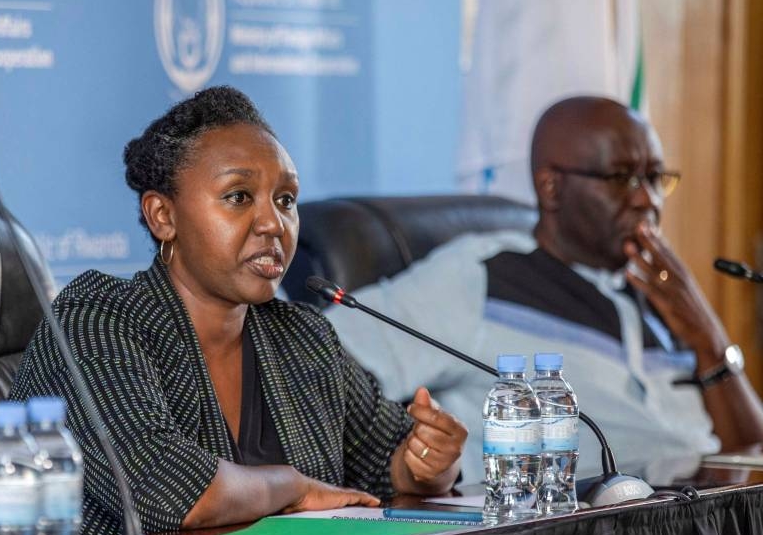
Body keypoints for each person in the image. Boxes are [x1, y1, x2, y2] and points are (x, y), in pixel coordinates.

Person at [0, 86, 467, 535]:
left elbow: (387, 465)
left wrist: (426, 463)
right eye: (239, 197)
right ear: (163, 217)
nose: (274, 224)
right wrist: (295, 487)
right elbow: (170, 493)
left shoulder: (302, 336)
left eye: (285, 200)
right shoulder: (98, 317)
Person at [326, 96, 763, 482]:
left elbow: (750, 456)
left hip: (701, 520)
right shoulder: (484, 278)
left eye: (655, 178)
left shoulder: (662, 296)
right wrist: (412, 462)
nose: (646, 199)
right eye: (623, 177)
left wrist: (709, 337)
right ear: (551, 187)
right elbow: (322, 353)